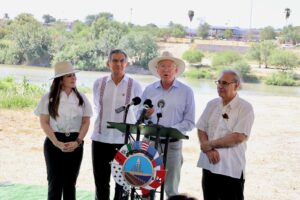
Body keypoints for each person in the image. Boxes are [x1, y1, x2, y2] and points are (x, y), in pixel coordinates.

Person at [34, 61, 93, 200]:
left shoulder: (82, 98)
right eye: (69, 76)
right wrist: (56, 142)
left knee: (70, 183)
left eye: (74, 75)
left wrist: (78, 141)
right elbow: (44, 122)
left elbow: (86, 121)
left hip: (75, 142)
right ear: (60, 79)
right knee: (55, 182)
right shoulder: (48, 97)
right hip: (54, 142)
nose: (74, 78)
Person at [141, 51, 195, 197]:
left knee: (171, 189)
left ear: (176, 70)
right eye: (162, 66)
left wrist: (170, 130)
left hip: (173, 144)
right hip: (149, 143)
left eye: (169, 66)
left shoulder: (186, 91)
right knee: (147, 187)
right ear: (157, 70)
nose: (166, 70)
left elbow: (190, 122)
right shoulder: (149, 90)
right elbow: (139, 115)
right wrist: (146, 115)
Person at [91, 49, 143, 200]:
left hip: (124, 141)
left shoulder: (135, 85)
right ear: (108, 63)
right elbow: (97, 107)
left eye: (121, 61)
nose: (118, 64)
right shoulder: (98, 83)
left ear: (126, 64)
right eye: (114, 60)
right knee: (101, 182)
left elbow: (139, 112)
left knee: (122, 183)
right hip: (100, 139)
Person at [196, 70, 254, 200]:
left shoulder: (245, 108)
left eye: (225, 83)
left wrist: (209, 145)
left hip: (230, 169)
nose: (220, 86)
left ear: (236, 85)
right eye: (219, 82)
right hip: (209, 166)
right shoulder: (211, 104)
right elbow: (201, 128)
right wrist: (208, 150)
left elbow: (238, 137)